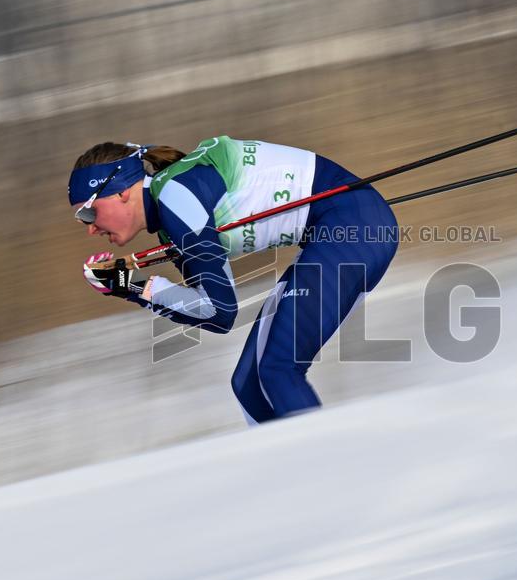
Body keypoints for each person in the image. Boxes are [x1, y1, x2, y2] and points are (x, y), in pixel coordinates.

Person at [69, 136, 399, 424]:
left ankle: (324, 475)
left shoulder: (176, 195)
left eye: (89, 212)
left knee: (276, 369)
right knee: (249, 384)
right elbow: (214, 314)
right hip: (344, 230)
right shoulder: (171, 213)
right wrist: (131, 287)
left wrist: (133, 286)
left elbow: (219, 309)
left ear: (121, 192)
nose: (90, 228)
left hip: (353, 227)